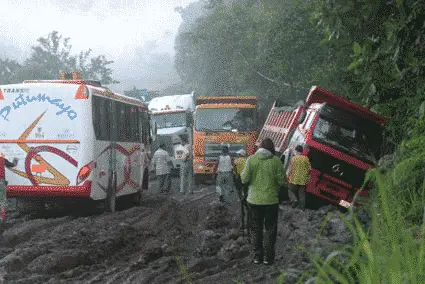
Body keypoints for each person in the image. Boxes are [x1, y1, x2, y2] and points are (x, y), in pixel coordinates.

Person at [241, 138, 285, 265]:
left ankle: (257, 256)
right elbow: (282, 181)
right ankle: (268, 258)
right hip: (271, 201)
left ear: (260, 147)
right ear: (272, 148)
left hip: (253, 201)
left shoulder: (251, 159)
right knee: (270, 229)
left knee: (255, 228)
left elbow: (244, 179)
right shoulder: (276, 161)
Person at [286, 145, 311, 209]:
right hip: (303, 181)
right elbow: (309, 169)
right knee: (302, 195)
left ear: (296, 151)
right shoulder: (306, 159)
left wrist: (287, 176)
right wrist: (307, 179)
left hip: (294, 179)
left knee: (290, 190)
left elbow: (290, 169)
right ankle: (302, 208)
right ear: (302, 151)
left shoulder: (294, 158)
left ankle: (294, 200)